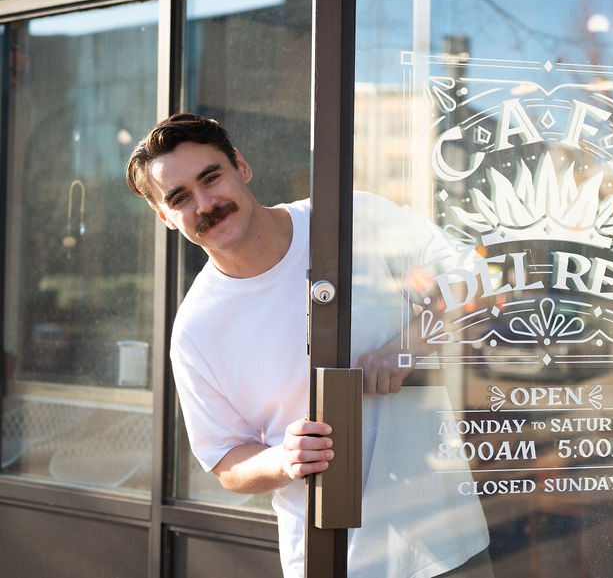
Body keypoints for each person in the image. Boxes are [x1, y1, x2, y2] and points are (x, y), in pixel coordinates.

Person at [125, 113, 489, 578]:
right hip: (332, 561)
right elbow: (225, 462)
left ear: (241, 166)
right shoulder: (197, 330)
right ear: (165, 218)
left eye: (211, 177)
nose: (205, 203)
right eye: (179, 198)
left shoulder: (353, 218)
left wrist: (411, 343)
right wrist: (283, 459)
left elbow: (475, 272)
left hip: (446, 539)